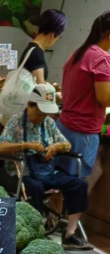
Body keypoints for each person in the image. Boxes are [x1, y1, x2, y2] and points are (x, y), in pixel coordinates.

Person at [0, 84, 91, 250]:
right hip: (22, 173)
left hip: (46, 171)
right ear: (30, 105)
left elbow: (66, 144)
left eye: (45, 114)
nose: (42, 117)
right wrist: (25, 145)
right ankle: (36, 233)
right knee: (35, 188)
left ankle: (70, 233)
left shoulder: (48, 123)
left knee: (79, 184)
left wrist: (55, 148)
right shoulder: (16, 122)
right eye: (39, 113)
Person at [57, 12, 110, 187]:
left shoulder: (77, 54)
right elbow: (104, 99)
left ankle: (54, 215)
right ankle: (71, 216)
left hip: (64, 126)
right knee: (76, 184)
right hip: (83, 132)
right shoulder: (102, 58)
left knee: (60, 178)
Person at [20, 8, 67, 84]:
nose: (58, 39)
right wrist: (54, 93)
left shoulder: (32, 49)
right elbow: (41, 88)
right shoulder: (36, 54)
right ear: (53, 34)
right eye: (59, 36)